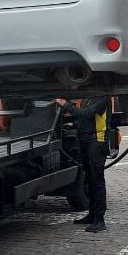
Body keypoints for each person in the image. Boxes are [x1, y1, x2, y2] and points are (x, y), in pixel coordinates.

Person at [55, 96, 110, 233]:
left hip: (96, 141)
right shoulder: (89, 97)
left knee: (97, 181)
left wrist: (65, 105)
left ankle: (100, 219)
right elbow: (86, 118)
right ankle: (92, 215)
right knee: (90, 180)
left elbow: (86, 113)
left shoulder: (102, 98)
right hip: (85, 141)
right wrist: (74, 125)